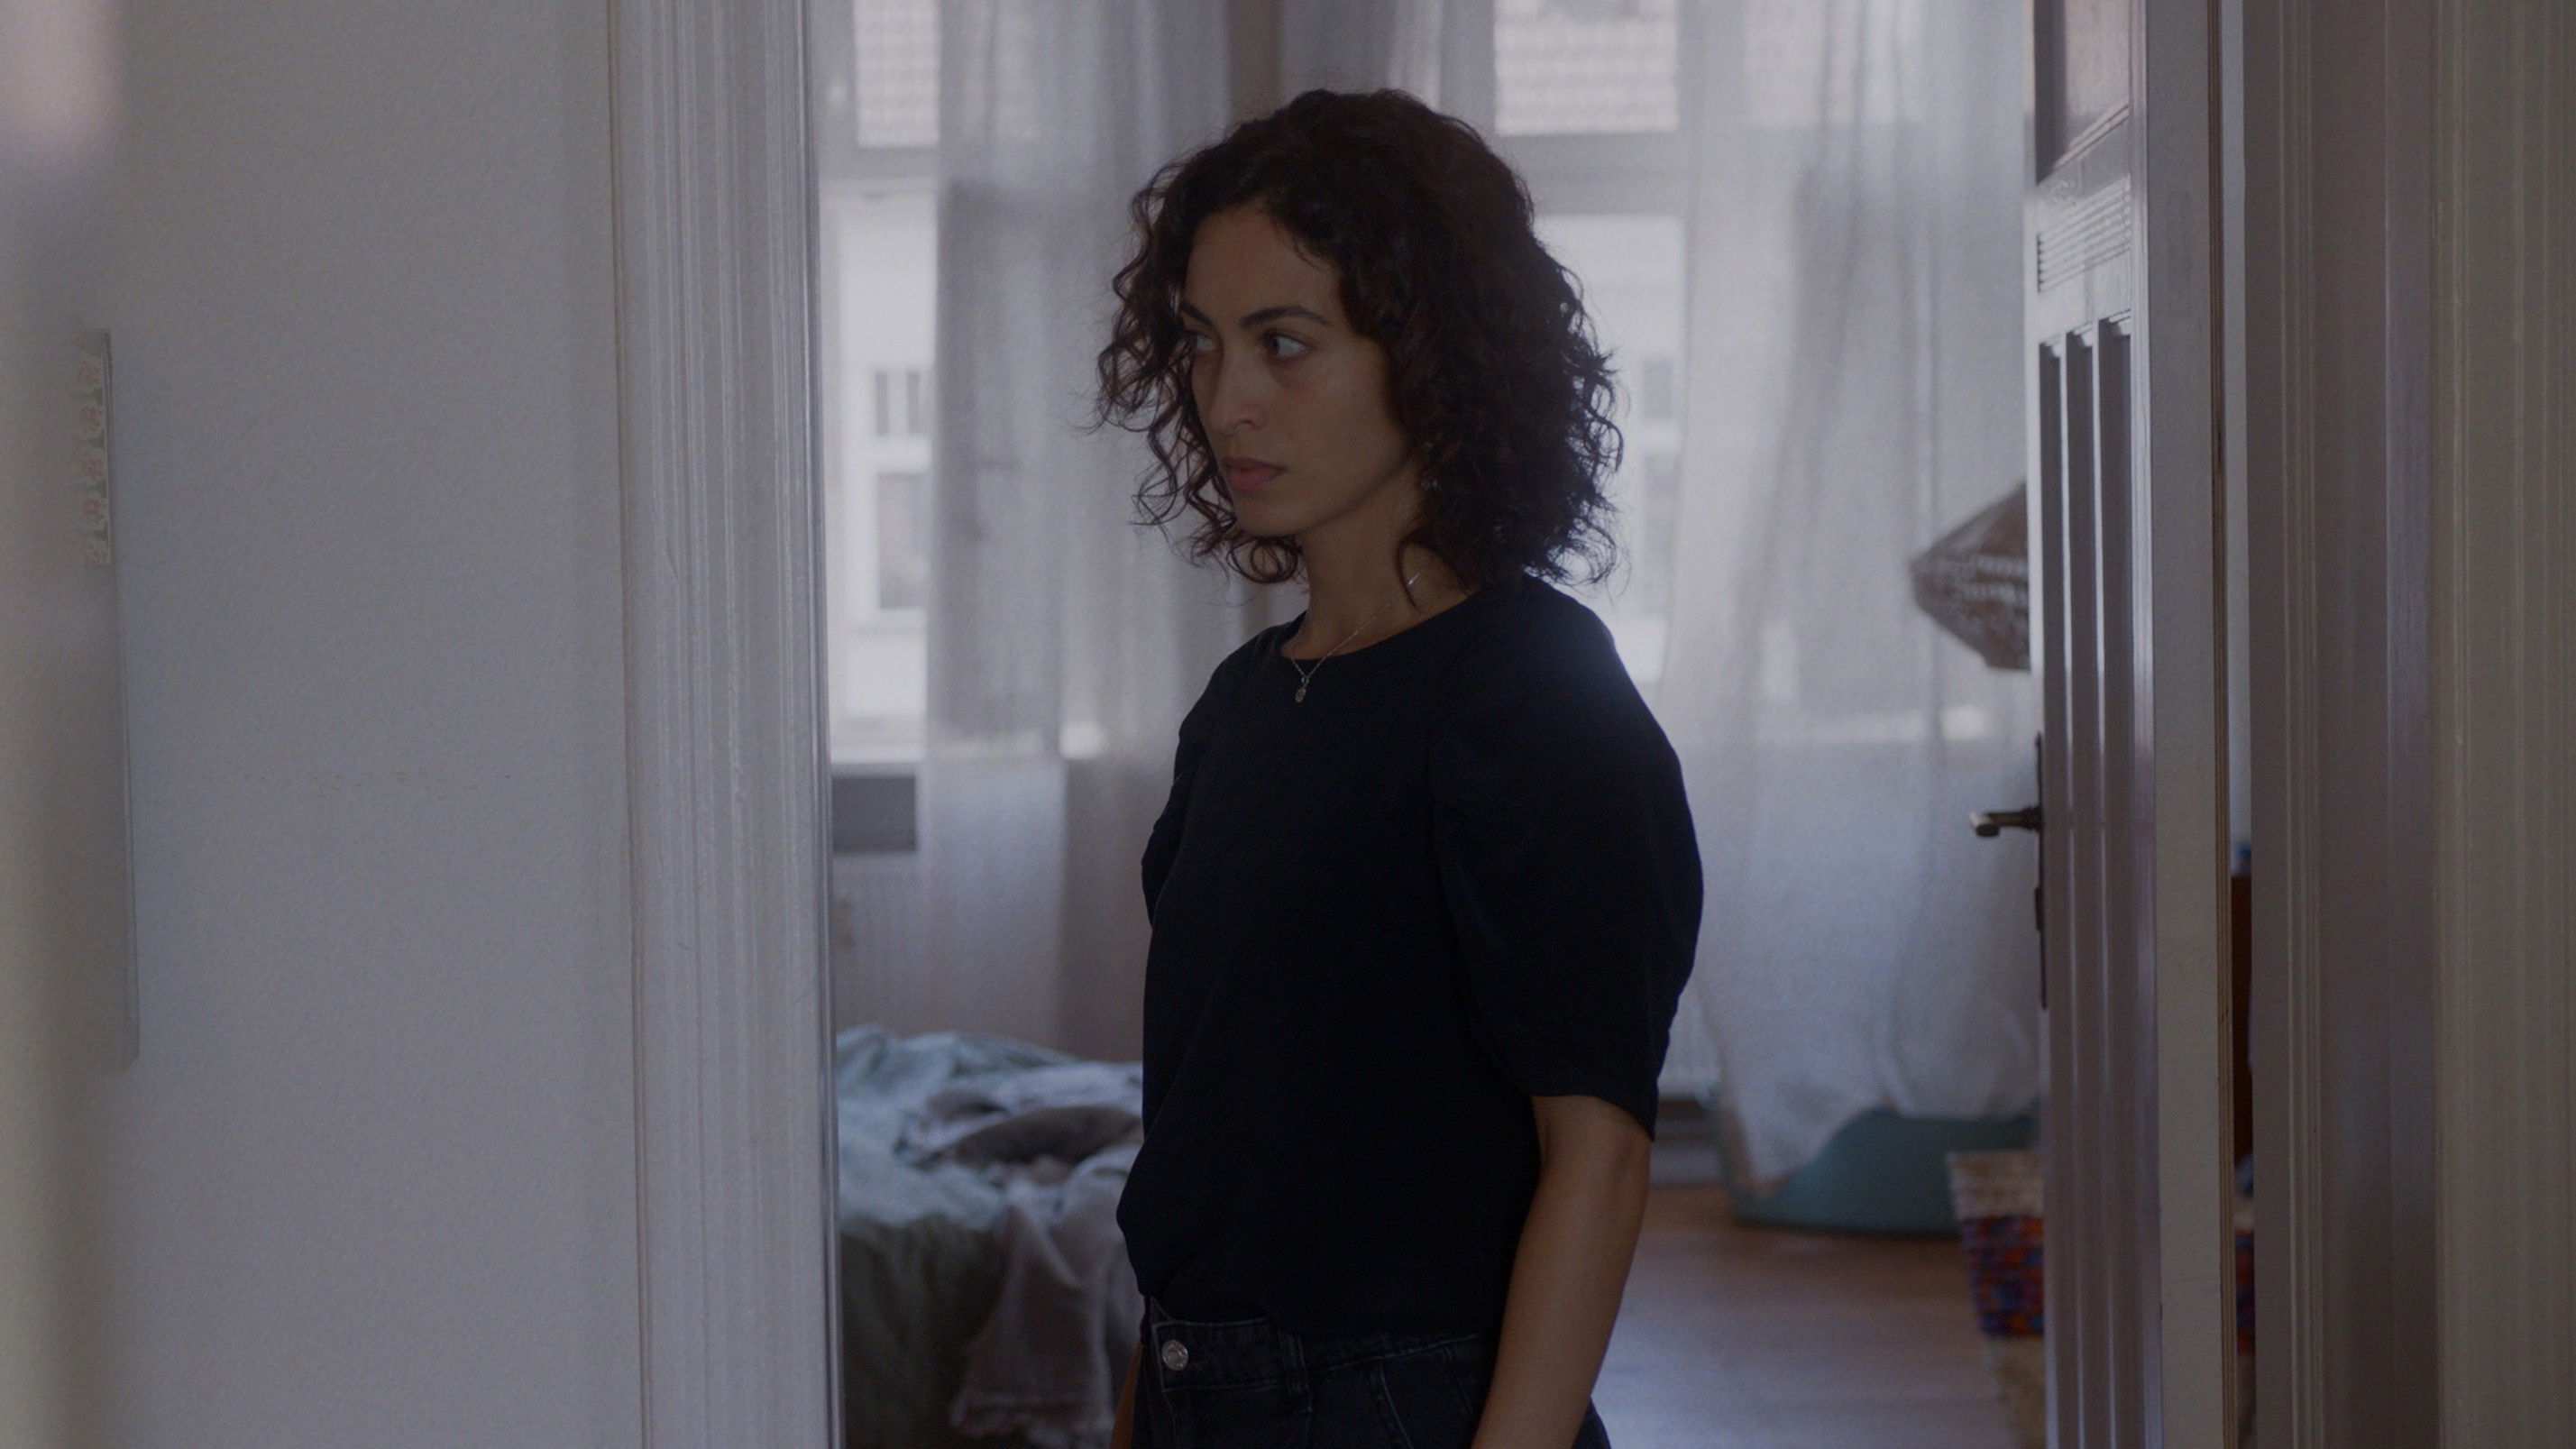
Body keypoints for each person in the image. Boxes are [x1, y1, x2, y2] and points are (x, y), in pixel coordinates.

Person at [1093, 88, 1704, 1449]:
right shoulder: (1243, 706)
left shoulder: (1535, 692)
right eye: (1201, 341)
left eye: (1284, 343)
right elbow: (1203, 1140)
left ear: (1433, 356)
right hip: (1202, 1388)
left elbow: (1598, 1157)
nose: (1226, 400)